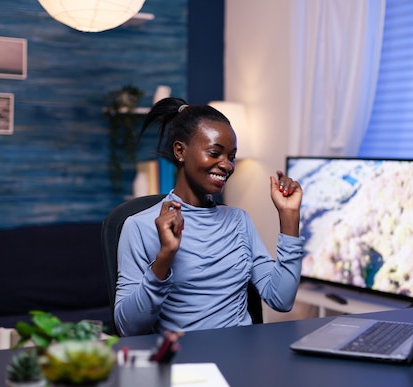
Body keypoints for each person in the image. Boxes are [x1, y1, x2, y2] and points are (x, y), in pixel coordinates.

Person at [114, 97, 304, 336]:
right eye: (215, 153)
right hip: (183, 364)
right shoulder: (139, 227)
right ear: (180, 151)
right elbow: (128, 328)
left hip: (241, 358)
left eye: (231, 156)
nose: (227, 166)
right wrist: (164, 257)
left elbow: (281, 300)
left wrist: (289, 216)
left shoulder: (238, 221)